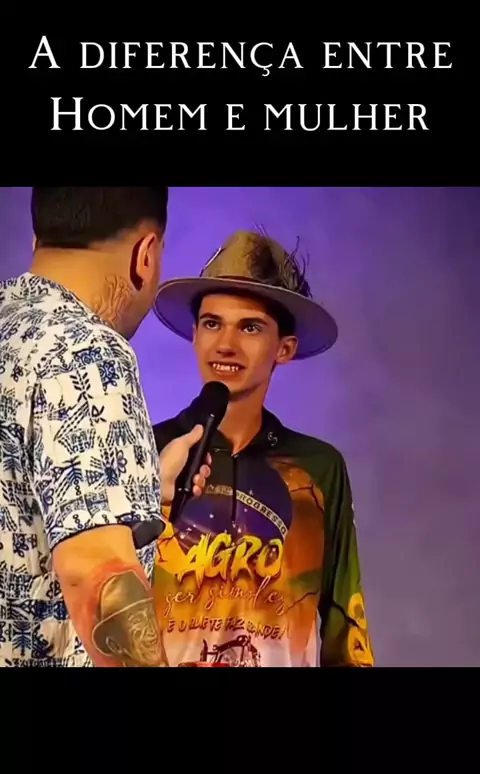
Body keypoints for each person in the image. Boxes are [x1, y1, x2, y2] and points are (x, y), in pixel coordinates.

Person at [0, 187, 210, 668]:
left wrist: (139, 489)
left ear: (38, 237)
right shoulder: (87, 352)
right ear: (145, 256)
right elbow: (98, 576)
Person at [151, 229, 374, 667]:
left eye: (250, 327)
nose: (225, 344)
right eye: (212, 323)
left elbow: (343, 623)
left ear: (284, 348)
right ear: (194, 334)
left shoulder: (317, 469)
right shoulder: (144, 450)